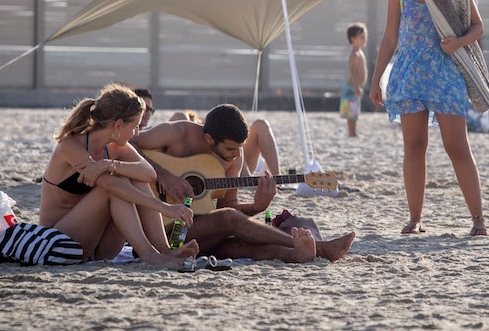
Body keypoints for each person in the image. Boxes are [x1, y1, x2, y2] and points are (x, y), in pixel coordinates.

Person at [368, 0, 488, 237]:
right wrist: (375, 79)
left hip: (445, 74)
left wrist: (459, 43)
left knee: (457, 147)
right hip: (408, 75)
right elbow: (389, 39)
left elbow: (478, 27)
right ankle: (415, 218)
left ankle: (478, 219)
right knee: (414, 147)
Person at [132, 103, 356, 262]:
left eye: (240, 147)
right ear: (209, 138)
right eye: (230, 148)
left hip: (195, 232)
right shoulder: (178, 132)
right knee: (229, 221)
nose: (236, 154)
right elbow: (128, 144)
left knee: (236, 246)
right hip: (157, 228)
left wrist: (258, 206)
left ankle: (296, 254)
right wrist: (164, 176)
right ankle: (318, 248)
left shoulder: (234, 157)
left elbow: (227, 207)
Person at [38, 83, 199, 266]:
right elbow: (110, 186)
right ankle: (149, 254)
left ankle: (163, 250)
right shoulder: (70, 146)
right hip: (57, 243)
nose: (137, 133)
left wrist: (109, 164)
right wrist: (165, 208)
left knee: (130, 177)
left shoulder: (115, 148)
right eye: (135, 126)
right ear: (118, 125)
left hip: (95, 247)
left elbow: (149, 174)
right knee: (116, 186)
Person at [167, 108, 281, 176]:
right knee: (180, 115)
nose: (191, 124)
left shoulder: (210, 128)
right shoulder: (184, 134)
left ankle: (278, 179)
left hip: (235, 163)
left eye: (193, 121)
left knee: (261, 124)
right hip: (202, 169)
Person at [341, 22, 368, 137]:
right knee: (351, 113)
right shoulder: (354, 54)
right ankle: (351, 132)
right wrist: (357, 87)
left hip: (356, 86)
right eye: (361, 37)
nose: (364, 39)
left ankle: (353, 132)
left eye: (364, 36)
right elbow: (352, 72)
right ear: (353, 39)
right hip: (352, 87)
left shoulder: (359, 52)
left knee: (354, 111)